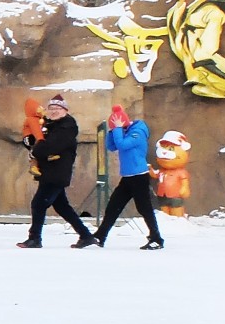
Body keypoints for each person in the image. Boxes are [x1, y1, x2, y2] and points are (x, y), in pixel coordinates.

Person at [18, 94, 95, 248]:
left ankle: (35, 238)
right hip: (49, 171)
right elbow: (38, 140)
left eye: (57, 108)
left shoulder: (67, 127)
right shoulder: (48, 125)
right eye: (51, 108)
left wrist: (36, 151)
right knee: (62, 207)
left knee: (38, 203)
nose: (54, 111)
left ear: (65, 110)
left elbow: (51, 146)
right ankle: (86, 235)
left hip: (57, 173)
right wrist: (29, 141)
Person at [92, 104, 163, 249]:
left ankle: (156, 238)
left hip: (139, 175)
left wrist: (118, 129)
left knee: (144, 207)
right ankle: (100, 236)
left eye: (121, 127)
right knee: (114, 206)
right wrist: (112, 131)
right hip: (127, 177)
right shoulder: (123, 131)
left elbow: (123, 145)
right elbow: (112, 146)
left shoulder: (138, 131)